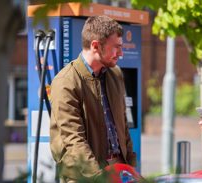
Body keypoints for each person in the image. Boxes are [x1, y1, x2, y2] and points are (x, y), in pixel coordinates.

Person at [50, 15, 136, 182]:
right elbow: (74, 139)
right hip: (85, 175)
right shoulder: (65, 82)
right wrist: (98, 176)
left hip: (119, 170)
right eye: (116, 47)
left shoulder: (115, 74)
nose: (121, 53)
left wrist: (131, 167)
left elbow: (123, 125)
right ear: (96, 46)